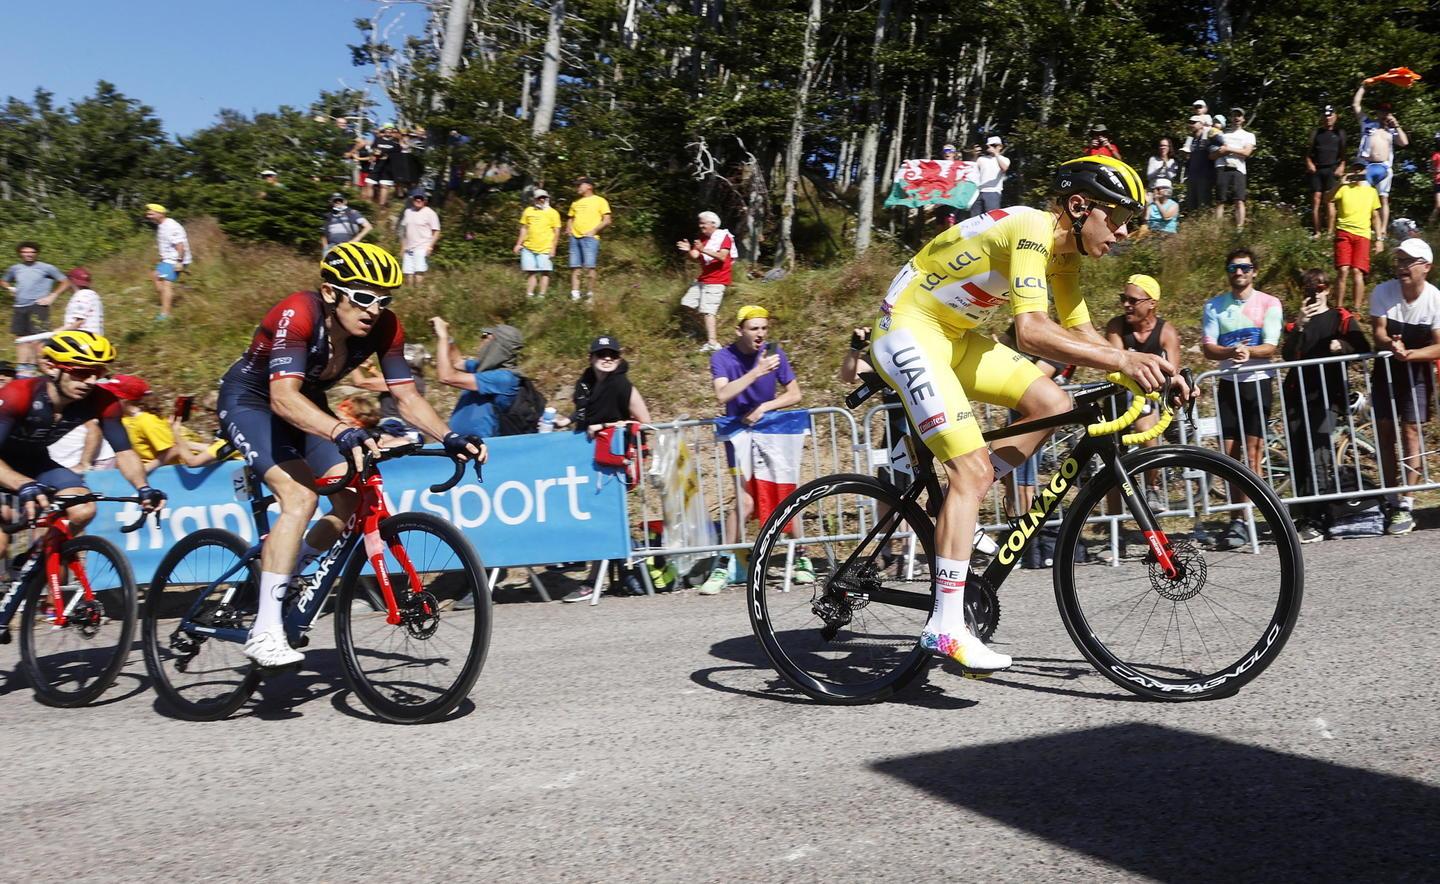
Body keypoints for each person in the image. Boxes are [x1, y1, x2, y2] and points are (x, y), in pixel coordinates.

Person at [868, 155, 1179, 673]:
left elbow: (1080, 334)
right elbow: (1033, 331)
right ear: (1080, 207)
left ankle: (937, 484)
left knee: (1052, 403)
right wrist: (1124, 358)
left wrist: (1157, 371)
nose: (1123, 232)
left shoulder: (1065, 255)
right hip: (907, 330)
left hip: (953, 336)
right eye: (1118, 218)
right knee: (973, 470)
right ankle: (945, 626)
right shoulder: (1033, 228)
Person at [216, 242, 484, 668]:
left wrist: (449, 435)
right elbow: (282, 397)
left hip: (305, 403)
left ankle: (290, 563)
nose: (374, 308)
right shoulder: (298, 313)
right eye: (362, 297)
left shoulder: (384, 327)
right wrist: (342, 430)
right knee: (300, 497)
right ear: (330, 292)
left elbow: (407, 397)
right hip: (252, 401)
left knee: (351, 495)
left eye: (383, 299)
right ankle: (265, 631)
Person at [0, 331, 164, 536]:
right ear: (50, 366)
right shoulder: (18, 395)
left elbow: (124, 452)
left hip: (37, 462)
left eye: (98, 372)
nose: (91, 381)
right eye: (81, 372)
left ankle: (43, 560)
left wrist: (144, 488)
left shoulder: (102, 401)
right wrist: (22, 484)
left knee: (84, 509)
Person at [700, 305, 805, 596]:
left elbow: (795, 393)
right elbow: (722, 393)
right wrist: (756, 372)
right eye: (754, 328)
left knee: (782, 494)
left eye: (764, 328)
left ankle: (801, 557)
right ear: (739, 330)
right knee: (745, 503)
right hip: (739, 436)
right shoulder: (722, 357)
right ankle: (725, 563)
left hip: (771, 433)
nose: (760, 334)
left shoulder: (775, 353)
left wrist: (764, 407)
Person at [557, 334, 654, 602]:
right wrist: (568, 421)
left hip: (615, 463)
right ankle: (620, 575)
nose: (607, 358)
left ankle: (594, 581)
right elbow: (584, 414)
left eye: (612, 354)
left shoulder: (622, 385)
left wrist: (607, 428)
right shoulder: (585, 384)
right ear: (591, 358)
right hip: (591, 463)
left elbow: (645, 422)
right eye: (602, 354)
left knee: (606, 519)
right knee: (603, 519)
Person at [1201, 247, 1283, 550]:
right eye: (1234, 268)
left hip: (1257, 384)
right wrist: (1230, 352)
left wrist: (1249, 352)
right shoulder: (1214, 305)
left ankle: (1256, 518)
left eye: (1245, 268)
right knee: (1230, 457)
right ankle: (1237, 519)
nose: (1239, 273)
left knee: (1253, 456)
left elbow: (1271, 345)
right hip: (1227, 383)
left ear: (1254, 272)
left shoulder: (1269, 303)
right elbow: (1209, 347)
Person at [1280, 268, 1369, 542]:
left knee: (1319, 451)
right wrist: (1302, 323)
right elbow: (1287, 354)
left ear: (1328, 289)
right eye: (1310, 290)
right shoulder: (1297, 323)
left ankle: (1320, 516)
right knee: (1299, 455)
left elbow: (1362, 347)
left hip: (1328, 397)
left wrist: (1340, 346)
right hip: (1296, 397)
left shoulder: (1340, 317)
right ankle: (1306, 516)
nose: (1315, 294)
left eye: (1319, 289)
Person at [1368, 238, 1439, 536]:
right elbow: (1378, 332)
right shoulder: (1383, 291)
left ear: (1426, 267)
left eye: (1408, 261)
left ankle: (1407, 502)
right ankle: (1390, 494)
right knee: (1384, 431)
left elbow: (1438, 346)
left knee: (1411, 432)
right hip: (1386, 369)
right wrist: (1390, 345)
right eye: (1398, 261)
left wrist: (1410, 354)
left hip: (1417, 370)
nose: (1401, 267)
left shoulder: (1435, 298)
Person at [1105, 274, 1182, 511]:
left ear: (1151, 303)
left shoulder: (1166, 332)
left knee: (1146, 428)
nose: (1126, 305)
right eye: (1123, 299)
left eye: (1133, 300)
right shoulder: (1116, 326)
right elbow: (1114, 363)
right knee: (1113, 460)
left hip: (1148, 396)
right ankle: (1114, 525)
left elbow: (1173, 372)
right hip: (1118, 397)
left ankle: (1152, 488)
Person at [433, 321, 522, 438]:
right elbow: (457, 362)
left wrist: (443, 337)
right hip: (461, 442)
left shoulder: (505, 378)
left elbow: (446, 377)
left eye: (485, 336)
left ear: (498, 346)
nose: (481, 340)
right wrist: (448, 338)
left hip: (480, 445)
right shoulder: (482, 368)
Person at [1352, 82, 1409, 235]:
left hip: (1384, 167)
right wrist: (1363, 87)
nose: (1384, 114)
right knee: (1363, 196)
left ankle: (1382, 231)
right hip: (1366, 165)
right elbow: (1356, 105)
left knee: (1383, 198)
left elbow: (1404, 142)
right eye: (1382, 111)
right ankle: (1365, 225)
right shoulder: (1368, 124)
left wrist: (1397, 125)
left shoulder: (1392, 130)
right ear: (1377, 112)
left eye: (1387, 112)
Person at [2, 241, 69, 372]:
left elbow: (65, 281)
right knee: (21, 338)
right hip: (19, 306)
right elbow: (3, 280)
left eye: (32, 252)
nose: (29, 255)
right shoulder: (15, 268)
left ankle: (33, 367)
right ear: (20, 253)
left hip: (38, 305)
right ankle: (22, 368)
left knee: (37, 338)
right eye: (25, 252)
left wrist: (52, 296)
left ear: (37, 253)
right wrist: (10, 287)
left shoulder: (46, 268)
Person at [678, 211, 735, 351]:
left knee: (708, 311)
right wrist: (687, 251)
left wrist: (704, 249)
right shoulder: (702, 238)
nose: (700, 225)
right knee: (687, 303)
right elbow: (695, 256)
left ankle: (712, 343)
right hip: (704, 278)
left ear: (713, 224)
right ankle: (696, 331)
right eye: (700, 223)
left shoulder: (724, 237)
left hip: (718, 280)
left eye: (703, 223)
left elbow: (722, 257)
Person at [1329, 169, 1382, 312]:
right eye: (1356, 169)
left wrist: (1379, 239)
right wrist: (1340, 184)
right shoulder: (1344, 188)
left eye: (1362, 169)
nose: (1358, 172)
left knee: (1358, 272)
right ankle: (1338, 308)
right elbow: (1327, 199)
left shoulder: (1371, 191)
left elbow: (1376, 216)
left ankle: (1356, 310)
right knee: (1343, 270)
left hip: (1363, 235)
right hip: (1344, 232)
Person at [105, 374, 179, 472]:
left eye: (108, 396)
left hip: (165, 474)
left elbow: (174, 450)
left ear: (124, 400)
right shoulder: (122, 417)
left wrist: (147, 468)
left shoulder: (147, 421)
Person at [567, 177, 612, 301]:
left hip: (590, 239)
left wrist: (594, 231)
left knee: (589, 267)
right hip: (575, 238)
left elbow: (607, 220)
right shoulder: (575, 203)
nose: (577, 187)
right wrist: (569, 230)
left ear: (589, 186)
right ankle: (575, 295)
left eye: (579, 185)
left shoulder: (600, 201)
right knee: (575, 267)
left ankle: (589, 296)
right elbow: (570, 218)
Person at [1211, 108, 1256, 229]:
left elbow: (1246, 152)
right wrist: (1221, 152)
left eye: (1239, 116)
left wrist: (1228, 149)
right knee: (1220, 200)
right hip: (1221, 167)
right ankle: (1217, 229)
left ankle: (1239, 229)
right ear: (1230, 118)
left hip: (1239, 168)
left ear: (1243, 119)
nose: (1236, 118)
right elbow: (1211, 155)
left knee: (1239, 200)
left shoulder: (1249, 135)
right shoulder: (1221, 134)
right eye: (1234, 115)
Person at [1306, 105, 1348, 236]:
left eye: (1330, 115)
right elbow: (1307, 153)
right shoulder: (1316, 133)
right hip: (1317, 169)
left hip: (1332, 169)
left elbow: (1344, 155)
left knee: (1329, 201)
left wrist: (1342, 166)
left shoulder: (1340, 133)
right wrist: (1309, 163)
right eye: (1325, 115)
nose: (1327, 118)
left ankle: (1330, 233)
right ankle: (1317, 232)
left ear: (1335, 116)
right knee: (1316, 199)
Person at [144, 204, 190, 321]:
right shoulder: (161, 225)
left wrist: (179, 262)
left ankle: (165, 314)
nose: (148, 216)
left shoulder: (171, 226)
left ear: (161, 214)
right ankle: (167, 301)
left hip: (175, 259)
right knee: (155, 276)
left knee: (166, 283)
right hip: (167, 259)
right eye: (148, 213)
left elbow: (180, 245)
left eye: (151, 213)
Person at [514, 189, 562, 297]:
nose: (542, 200)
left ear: (547, 198)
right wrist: (518, 244)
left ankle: (541, 296)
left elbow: (557, 232)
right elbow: (524, 229)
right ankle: (529, 295)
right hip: (528, 248)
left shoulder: (553, 213)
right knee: (531, 272)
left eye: (544, 197)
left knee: (545, 272)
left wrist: (553, 248)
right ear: (535, 199)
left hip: (545, 248)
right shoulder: (528, 211)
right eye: (539, 198)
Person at [398, 190, 441, 287]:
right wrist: (403, 247)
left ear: (425, 200)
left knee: (419, 271)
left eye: (421, 198)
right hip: (408, 248)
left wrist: (430, 246)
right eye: (416, 198)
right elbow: (403, 231)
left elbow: (437, 231)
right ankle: (410, 294)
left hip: (422, 247)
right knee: (408, 273)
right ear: (412, 199)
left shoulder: (430, 213)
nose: (418, 200)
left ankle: (418, 291)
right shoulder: (408, 212)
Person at [1181, 115, 1218, 212]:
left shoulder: (1208, 138)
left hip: (1205, 177)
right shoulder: (1191, 140)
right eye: (1190, 122)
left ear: (1201, 124)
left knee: (1203, 205)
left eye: (1194, 122)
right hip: (1192, 177)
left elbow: (1214, 154)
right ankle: (1192, 225)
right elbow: (1188, 158)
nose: (1191, 124)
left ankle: (1205, 225)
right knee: (1191, 205)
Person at [969, 136, 1011, 217]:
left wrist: (996, 154)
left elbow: (1004, 168)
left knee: (992, 217)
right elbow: (972, 168)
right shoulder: (981, 159)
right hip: (978, 192)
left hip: (993, 192)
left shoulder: (1004, 159)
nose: (991, 147)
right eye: (989, 145)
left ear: (1000, 146)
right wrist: (974, 155)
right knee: (974, 218)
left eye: (994, 145)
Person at [61, 267, 103, 334]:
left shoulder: (81, 295)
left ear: (71, 281)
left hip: (81, 338)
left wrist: (57, 332)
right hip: (95, 338)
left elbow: (79, 322)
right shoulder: (94, 295)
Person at [369, 124, 402, 207]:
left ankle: (381, 206)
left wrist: (386, 155)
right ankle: (368, 205)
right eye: (387, 128)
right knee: (369, 184)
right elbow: (373, 149)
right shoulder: (378, 139)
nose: (388, 130)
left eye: (390, 129)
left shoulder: (395, 142)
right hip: (377, 165)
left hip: (388, 167)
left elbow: (397, 155)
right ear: (384, 129)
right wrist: (374, 154)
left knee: (384, 186)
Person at [1430, 134, 1440, 226]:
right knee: (1438, 206)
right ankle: (1430, 227)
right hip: (1438, 182)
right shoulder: (1436, 155)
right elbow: (1433, 169)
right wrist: (1437, 170)